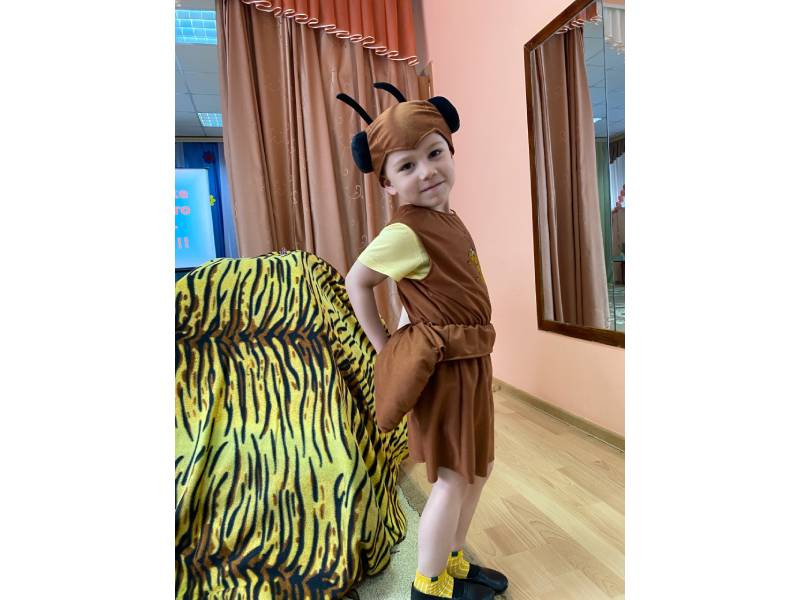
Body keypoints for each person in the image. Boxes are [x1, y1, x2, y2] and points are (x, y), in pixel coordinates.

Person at [337, 83, 508, 600]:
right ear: (388, 184)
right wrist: (385, 345)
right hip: (446, 368)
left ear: (450, 150)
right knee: (454, 477)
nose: (427, 171)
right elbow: (357, 281)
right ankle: (428, 586)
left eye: (434, 153)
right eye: (407, 166)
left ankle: (452, 561)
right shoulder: (405, 231)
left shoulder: (446, 218)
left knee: (478, 468)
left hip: (472, 361)